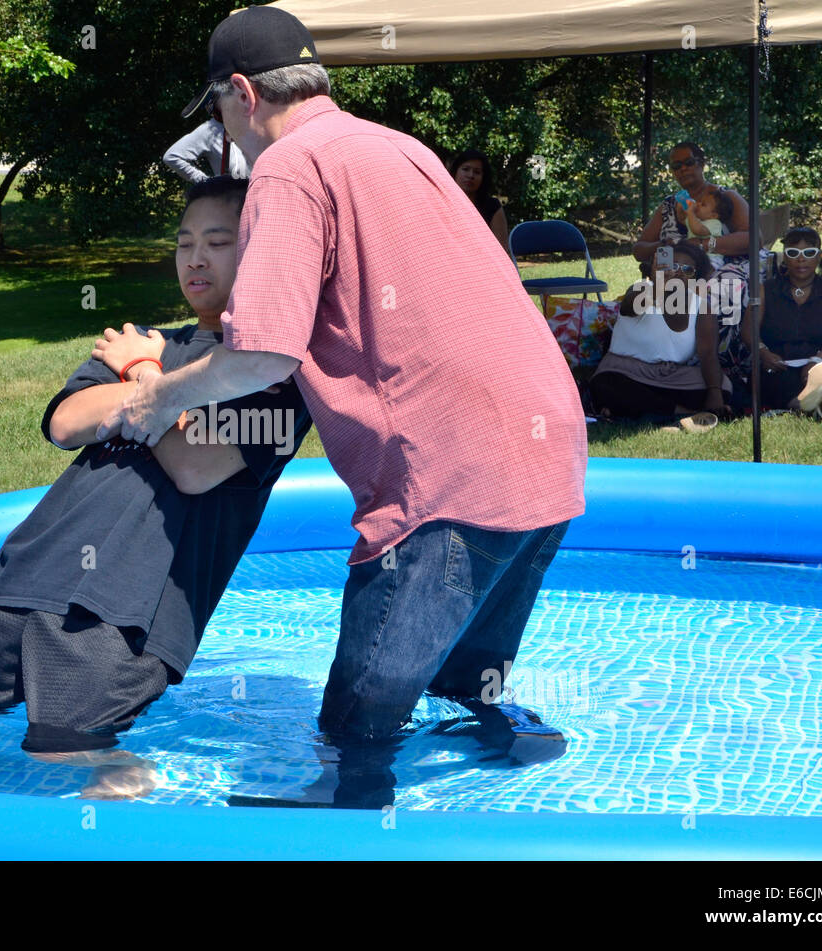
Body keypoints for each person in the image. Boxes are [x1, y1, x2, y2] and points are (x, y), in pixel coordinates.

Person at [100, 7, 586, 749]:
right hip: (549, 454)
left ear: (243, 93)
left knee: (355, 734)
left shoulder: (288, 168)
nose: (223, 132)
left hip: (449, 483)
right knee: (467, 691)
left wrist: (154, 391)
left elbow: (263, 354)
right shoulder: (397, 146)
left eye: (219, 112)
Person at [0, 177, 310, 790]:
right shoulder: (152, 340)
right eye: (184, 241)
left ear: (260, 250)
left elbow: (196, 465)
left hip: (124, 604)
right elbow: (66, 422)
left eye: (217, 242)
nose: (194, 257)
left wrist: (138, 376)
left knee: (72, 755)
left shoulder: (270, 372)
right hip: (23, 574)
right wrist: (161, 394)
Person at [634, 142, 752, 359]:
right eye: (676, 166)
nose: (683, 169)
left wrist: (704, 245)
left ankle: (722, 357)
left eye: (689, 162)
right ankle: (671, 353)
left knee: (722, 287)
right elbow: (639, 249)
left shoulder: (724, 197)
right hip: (677, 268)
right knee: (660, 286)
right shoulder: (669, 205)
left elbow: (754, 237)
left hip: (720, 266)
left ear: (702, 164)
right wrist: (665, 246)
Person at [589, 240, 726, 426]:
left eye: (687, 270)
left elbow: (708, 354)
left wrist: (714, 392)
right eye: (673, 266)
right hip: (625, 373)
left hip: (670, 377)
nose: (677, 272)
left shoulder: (701, 306)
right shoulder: (640, 289)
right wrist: (658, 285)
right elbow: (629, 307)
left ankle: (650, 410)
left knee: (723, 386)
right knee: (606, 385)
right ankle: (683, 413)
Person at [741, 227, 822, 419]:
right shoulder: (766, 290)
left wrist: (817, 362)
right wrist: (763, 352)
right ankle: (809, 404)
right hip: (779, 363)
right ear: (784, 257)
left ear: (818, 257)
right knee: (780, 383)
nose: (801, 259)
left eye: (809, 253)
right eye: (793, 253)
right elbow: (748, 331)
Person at [448, 149, 510, 256]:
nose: (471, 175)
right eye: (466, 169)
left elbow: (502, 251)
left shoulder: (492, 207)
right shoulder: (442, 203)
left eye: (477, 172)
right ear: (455, 172)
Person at [163, 117, 250, 184]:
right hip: (237, 204)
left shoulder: (257, 122)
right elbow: (172, 156)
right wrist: (208, 184)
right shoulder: (211, 130)